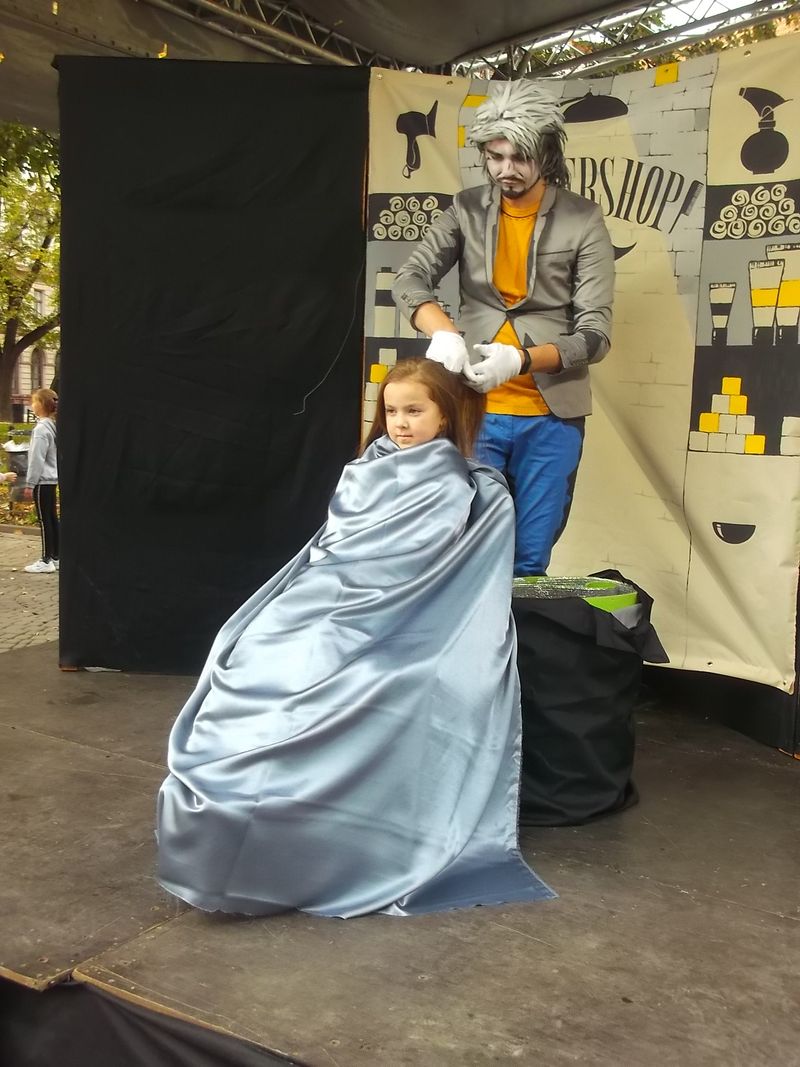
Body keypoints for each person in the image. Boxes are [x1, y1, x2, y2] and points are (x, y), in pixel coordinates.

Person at [157, 358, 555, 918]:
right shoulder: (363, 470)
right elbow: (333, 548)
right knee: (251, 654)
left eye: (414, 411)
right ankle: (242, 823)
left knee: (329, 677)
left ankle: (285, 844)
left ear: (446, 415)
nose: (400, 423)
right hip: (325, 600)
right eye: (391, 411)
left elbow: (425, 569)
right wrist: (319, 597)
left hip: (394, 620)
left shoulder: (465, 486)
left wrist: (352, 605)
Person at [393, 80, 615, 576]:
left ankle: (517, 652)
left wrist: (520, 359)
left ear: (546, 154)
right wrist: (443, 332)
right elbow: (411, 276)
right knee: (465, 549)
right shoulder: (465, 209)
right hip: (473, 409)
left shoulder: (583, 219)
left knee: (530, 558)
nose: (505, 171)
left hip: (551, 416)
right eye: (495, 157)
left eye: (519, 158)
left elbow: (596, 334)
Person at [22, 388, 59, 574]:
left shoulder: (41, 429)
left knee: (44, 520)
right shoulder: (53, 427)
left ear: (42, 405)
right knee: (52, 518)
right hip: (52, 480)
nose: (31, 405)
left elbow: (37, 458)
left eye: (34, 401)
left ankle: (45, 559)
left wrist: (30, 483)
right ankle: (56, 556)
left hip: (42, 480)